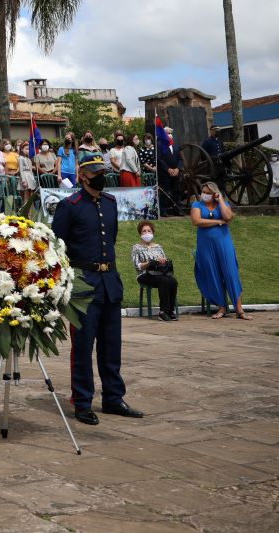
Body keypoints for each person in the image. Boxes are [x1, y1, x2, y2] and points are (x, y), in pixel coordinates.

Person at [52, 154, 144, 425]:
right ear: (82, 176)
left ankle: (113, 398)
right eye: (96, 173)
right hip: (83, 284)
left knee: (111, 345)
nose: (102, 176)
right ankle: (82, 401)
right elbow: (58, 247)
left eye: (103, 171)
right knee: (82, 347)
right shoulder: (70, 205)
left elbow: (110, 239)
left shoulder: (110, 202)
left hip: (109, 282)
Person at [191, 181, 247, 319]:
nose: (204, 195)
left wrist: (221, 200)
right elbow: (197, 221)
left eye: (208, 193)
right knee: (213, 273)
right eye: (203, 192)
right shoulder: (197, 205)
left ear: (215, 193)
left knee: (231, 273)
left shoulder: (223, 204)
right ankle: (222, 308)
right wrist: (218, 222)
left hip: (224, 243)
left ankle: (239, 309)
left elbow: (228, 217)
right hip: (205, 245)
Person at [131, 221, 178, 321]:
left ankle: (170, 310)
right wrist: (148, 263)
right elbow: (137, 266)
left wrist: (162, 261)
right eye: (144, 231)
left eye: (149, 231)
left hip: (160, 273)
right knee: (163, 281)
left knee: (173, 281)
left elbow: (164, 261)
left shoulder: (158, 247)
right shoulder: (136, 248)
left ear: (153, 232)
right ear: (140, 233)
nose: (147, 233)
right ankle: (162, 312)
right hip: (144, 275)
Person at [157, 128, 183, 216]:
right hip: (165, 173)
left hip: (175, 173)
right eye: (167, 133)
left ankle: (177, 209)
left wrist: (177, 169)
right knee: (165, 191)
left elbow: (180, 159)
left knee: (176, 191)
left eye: (170, 133)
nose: (169, 135)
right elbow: (159, 159)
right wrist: (168, 169)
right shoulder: (159, 145)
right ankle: (163, 210)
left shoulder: (175, 147)